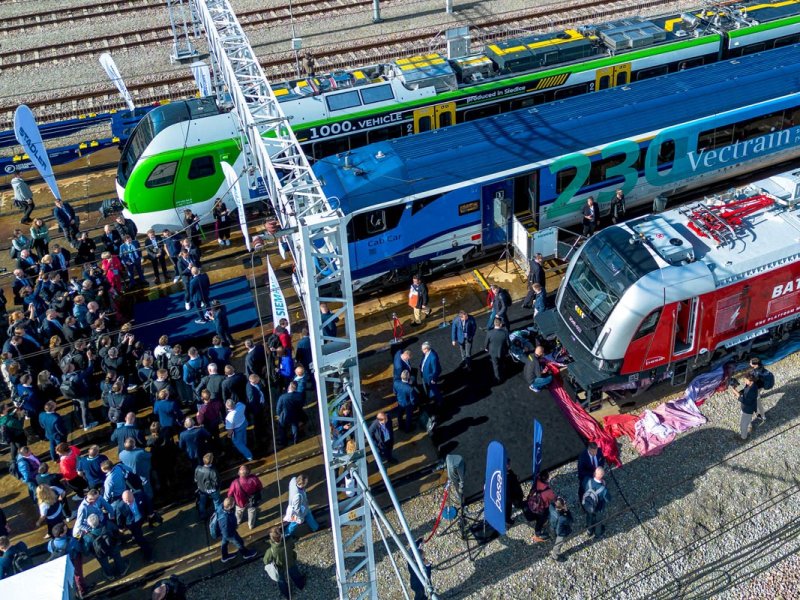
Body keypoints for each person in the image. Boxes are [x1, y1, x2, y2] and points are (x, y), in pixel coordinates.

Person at [263, 527, 306, 599]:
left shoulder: (270, 550)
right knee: (295, 574)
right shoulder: (288, 542)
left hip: (279, 567)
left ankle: (287, 594)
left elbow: (266, 561)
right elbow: (292, 546)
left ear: (272, 539)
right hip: (290, 562)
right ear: (281, 536)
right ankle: (300, 585)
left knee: (281, 581)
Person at [84, 513, 129, 580]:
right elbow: (116, 529)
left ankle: (110, 575)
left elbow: (86, 550)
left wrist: (93, 552)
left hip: (100, 552)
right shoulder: (107, 524)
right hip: (112, 545)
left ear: (89, 525)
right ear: (99, 520)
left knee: (104, 563)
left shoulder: (87, 537)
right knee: (117, 557)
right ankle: (122, 570)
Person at [48, 523, 88, 597]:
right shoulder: (71, 541)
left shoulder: (51, 543)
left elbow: (50, 551)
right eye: (65, 529)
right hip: (73, 560)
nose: (66, 528)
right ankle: (82, 590)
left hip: (61, 562)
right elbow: (78, 548)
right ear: (61, 534)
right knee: (78, 574)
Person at [114, 489, 153, 561]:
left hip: (141, 518)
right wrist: (121, 527)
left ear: (133, 495)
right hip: (132, 524)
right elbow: (119, 518)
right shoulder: (120, 506)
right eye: (126, 501)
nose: (128, 502)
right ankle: (148, 553)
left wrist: (150, 513)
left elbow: (148, 502)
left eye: (130, 500)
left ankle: (140, 542)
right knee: (139, 538)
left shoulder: (140, 495)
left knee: (139, 535)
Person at [216, 497, 258, 563]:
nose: (234, 504)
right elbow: (226, 531)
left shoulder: (221, 507)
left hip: (226, 531)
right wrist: (231, 534)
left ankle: (225, 556)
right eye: (233, 504)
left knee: (224, 543)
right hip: (229, 533)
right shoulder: (225, 518)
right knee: (238, 542)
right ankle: (245, 554)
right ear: (229, 506)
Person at [228, 464, 263, 530]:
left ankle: (238, 521)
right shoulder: (254, 479)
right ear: (248, 472)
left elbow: (229, 494)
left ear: (239, 473)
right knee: (251, 512)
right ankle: (251, 525)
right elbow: (260, 487)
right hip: (252, 501)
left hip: (240, 503)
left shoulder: (235, 483)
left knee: (238, 513)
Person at [529, 470, 557, 542]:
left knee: (538, 517)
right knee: (541, 519)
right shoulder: (548, 491)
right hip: (543, 507)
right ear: (547, 479)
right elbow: (554, 498)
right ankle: (537, 534)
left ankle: (540, 523)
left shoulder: (538, 480)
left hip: (536, 504)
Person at [583, 467, 610, 538]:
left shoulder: (588, 481)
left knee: (589, 517)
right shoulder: (603, 489)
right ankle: (598, 533)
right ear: (602, 476)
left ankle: (589, 531)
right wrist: (604, 485)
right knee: (598, 521)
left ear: (594, 474)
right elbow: (608, 499)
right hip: (599, 508)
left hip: (589, 505)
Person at [275, 381, 305, 447]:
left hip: (285, 415)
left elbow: (278, 408)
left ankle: (284, 442)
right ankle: (295, 440)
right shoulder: (299, 395)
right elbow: (301, 404)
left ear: (289, 387)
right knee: (295, 427)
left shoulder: (282, 397)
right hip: (295, 414)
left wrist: (279, 415)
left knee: (282, 428)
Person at [194, 452, 221, 520]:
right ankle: (218, 514)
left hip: (202, 490)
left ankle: (202, 514)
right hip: (212, 490)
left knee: (202, 502)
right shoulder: (212, 471)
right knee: (216, 502)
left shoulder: (197, 468)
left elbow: (195, 479)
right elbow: (216, 482)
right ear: (211, 461)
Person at [485, 317, 510, 384]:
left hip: (493, 353)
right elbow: (508, 344)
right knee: (502, 362)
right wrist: (507, 349)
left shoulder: (489, 333)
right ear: (501, 324)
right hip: (502, 352)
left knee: (495, 366)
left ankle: (498, 378)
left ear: (494, 324)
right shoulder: (505, 333)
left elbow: (486, 343)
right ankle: (503, 370)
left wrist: (486, 348)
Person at [549, 497, 573, 562]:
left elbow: (552, 503)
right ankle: (555, 556)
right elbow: (571, 520)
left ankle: (553, 539)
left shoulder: (551, 507)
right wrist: (567, 510)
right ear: (562, 507)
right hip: (560, 532)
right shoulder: (562, 517)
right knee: (558, 544)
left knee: (554, 536)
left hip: (552, 526)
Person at [737, 372, 759, 440]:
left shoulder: (752, 391)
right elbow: (745, 390)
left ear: (751, 381)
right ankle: (749, 425)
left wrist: (738, 396)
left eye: (746, 380)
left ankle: (743, 437)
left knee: (743, 425)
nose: (744, 381)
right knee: (747, 420)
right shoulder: (750, 385)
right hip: (745, 408)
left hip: (748, 410)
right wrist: (741, 392)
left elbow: (747, 402)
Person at [420, 341, 442, 408]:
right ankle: (433, 397)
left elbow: (435, 370)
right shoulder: (426, 353)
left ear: (427, 349)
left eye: (423, 349)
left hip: (431, 377)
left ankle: (440, 401)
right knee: (431, 388)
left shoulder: (433, 357)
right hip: (426, 376)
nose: (421, 350)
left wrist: (433, 379)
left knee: (435, 389)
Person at [504, 458, 524, 526]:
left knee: (508, 508)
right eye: (507, 464)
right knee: (508, 509)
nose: (509, 465)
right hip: (510, 496)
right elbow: (508, 490)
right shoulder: (506, 476)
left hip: (511, 495)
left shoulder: (508, 472)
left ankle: (507, 519)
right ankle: (507, 520)